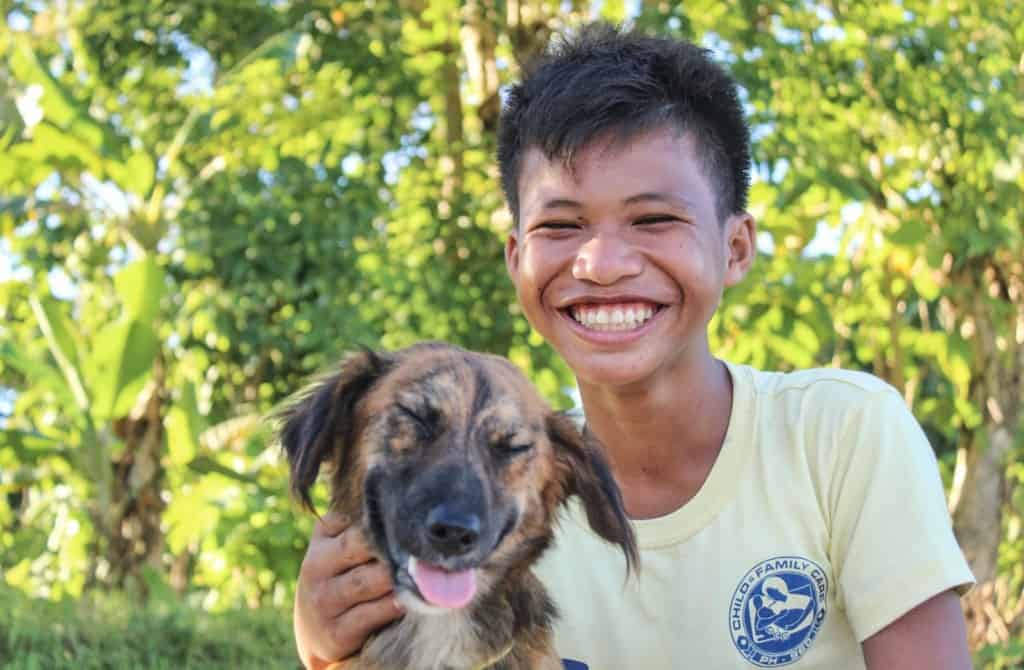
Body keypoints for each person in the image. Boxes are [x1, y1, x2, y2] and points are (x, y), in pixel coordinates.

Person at [291, 24, 974, 669]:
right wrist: (324, 643)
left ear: (735, 248)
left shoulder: (842, 434)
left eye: (653, 219)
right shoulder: (499, 497)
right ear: (516, 257)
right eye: (561, 224)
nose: (602, 262)